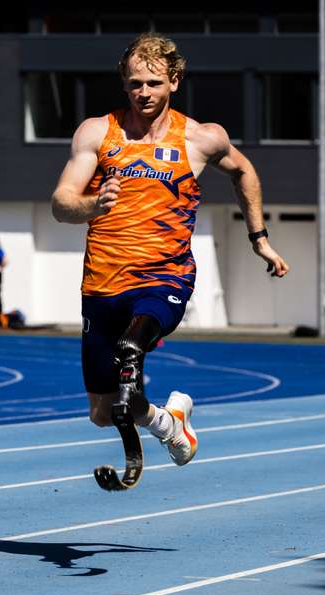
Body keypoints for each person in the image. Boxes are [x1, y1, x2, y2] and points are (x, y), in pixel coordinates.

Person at [51, 34, 288, 491]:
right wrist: (91, 206)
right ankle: (169, 422)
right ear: (124, 82)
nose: (143, 93)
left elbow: (244, 171)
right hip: (102, 283)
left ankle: (138, 359)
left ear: (174, 82)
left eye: (154, 83)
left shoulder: (202, 137)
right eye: (135, 83)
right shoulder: (97, 133)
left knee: (132, 346)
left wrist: (259, 239)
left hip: (163, 276)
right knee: (104, 413)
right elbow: (61, 203)